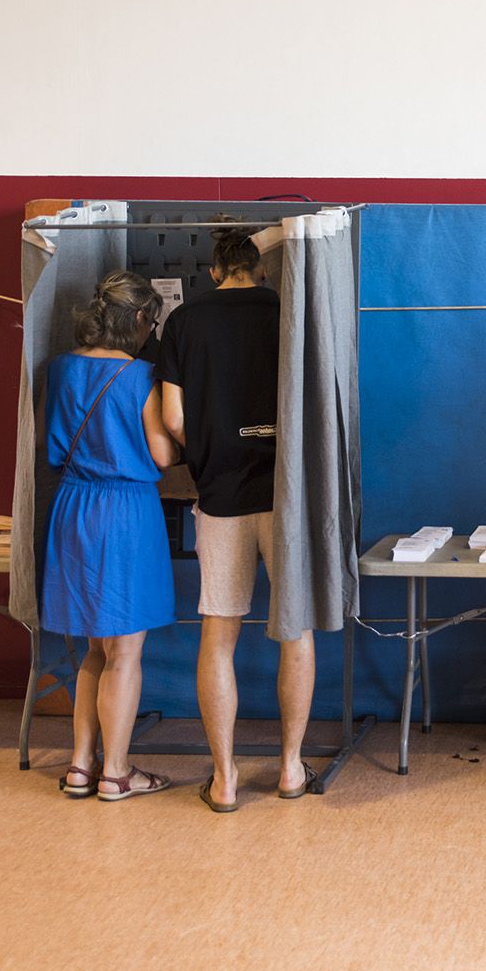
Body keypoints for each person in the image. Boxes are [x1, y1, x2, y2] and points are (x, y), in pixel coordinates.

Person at [158, 224, 314, 813]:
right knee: (293, 632)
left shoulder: (185, 321)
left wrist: (207, 445)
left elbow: (173, 419)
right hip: (286, 495)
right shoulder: (290, 311)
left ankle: (224, 779)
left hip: (220, 495)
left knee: (217, 636)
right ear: (263, 269)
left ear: (216, 271)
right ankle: (291, 769)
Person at [43, 271, 178, 801]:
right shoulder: (141, 376)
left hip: (73, 505)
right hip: (124, 512)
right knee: (125, 652)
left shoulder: (60, 367)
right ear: (142, 320)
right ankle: (117, 773)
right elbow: (163, 455)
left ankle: (81, 766)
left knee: (95, 651)